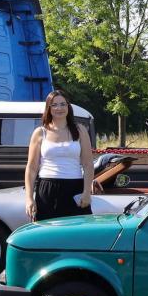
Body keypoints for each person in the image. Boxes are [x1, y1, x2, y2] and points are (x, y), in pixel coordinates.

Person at [25, 90, 95, 221]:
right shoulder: (40, 132)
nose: (59, 108)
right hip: (47, 190)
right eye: (54, 105)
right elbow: (32, 168)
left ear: (68, 106)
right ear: (49, 108)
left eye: (63, 104)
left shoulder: (80, 130)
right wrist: (29, 198)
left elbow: (88, 164)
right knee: (47, 231)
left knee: (78, 230)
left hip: (75, 189)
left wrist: (86, 193)